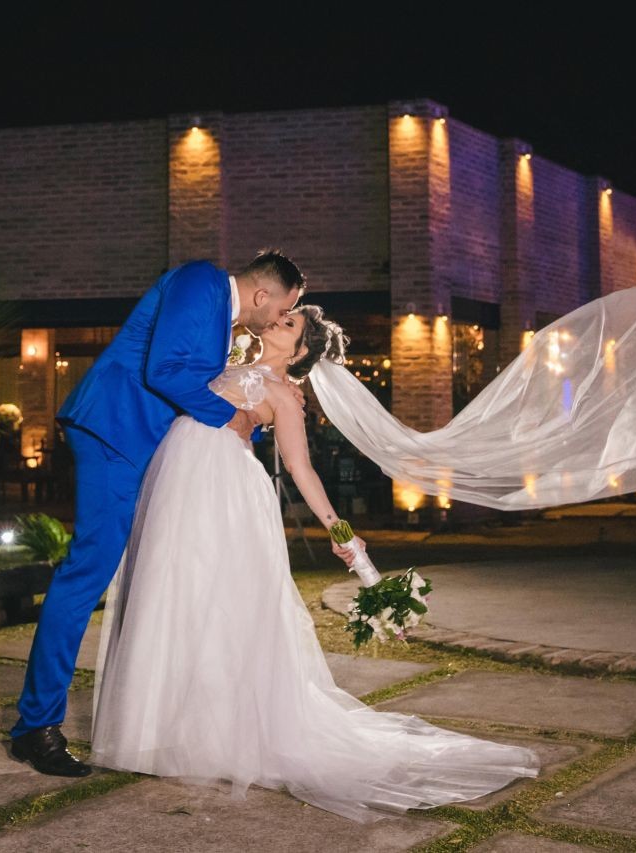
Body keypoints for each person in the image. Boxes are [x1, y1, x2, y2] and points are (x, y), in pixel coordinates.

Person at [89, 304, 541, 823]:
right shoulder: (231, 360)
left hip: (225, 496)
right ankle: (160, 729)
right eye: (280, 317)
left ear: (300, 352)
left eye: (289, 326)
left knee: (221, 609)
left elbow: (302, 470)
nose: (277, 324)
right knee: (173, 600)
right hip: (176, 488)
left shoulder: (284, 395)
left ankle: (216, 737)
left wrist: (342, 534)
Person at [9, 250, 362, 777]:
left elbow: (222, 393)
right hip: (115, 432)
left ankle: (168, 718)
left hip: (151, 450)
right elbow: (164, 370)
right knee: (87, 573)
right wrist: (237, 416)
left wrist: (265, 409)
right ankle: (35, 727)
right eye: (284, 310)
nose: (275, 321)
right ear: (264, 295)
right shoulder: (202, 282)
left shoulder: (230, 329)